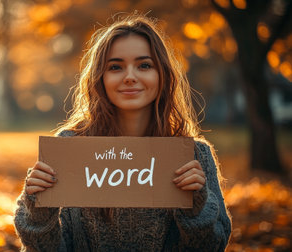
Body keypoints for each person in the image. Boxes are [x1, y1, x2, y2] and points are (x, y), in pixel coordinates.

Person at [14, 14, 232, 251]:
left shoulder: (195, 155)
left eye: (144, 65)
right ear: (100, 77)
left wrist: (197, 209)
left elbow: (214, 245)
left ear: (163, 75)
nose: (130, 77)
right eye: (115, 67)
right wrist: (38, 211)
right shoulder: (70, 148)